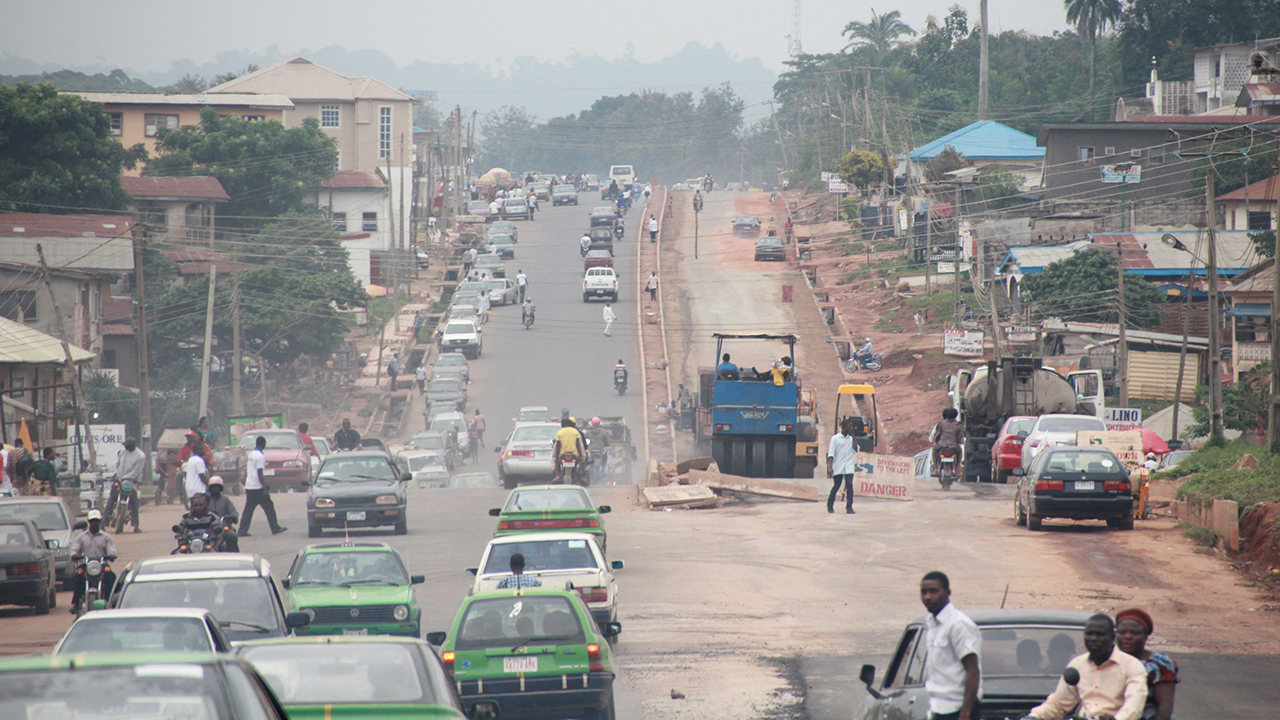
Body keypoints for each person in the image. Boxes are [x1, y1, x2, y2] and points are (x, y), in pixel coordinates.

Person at [1027, 614, 1148, 720]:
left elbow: (1134, 705)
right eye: (1089, 634)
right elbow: (1059, 703)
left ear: (1112, 637)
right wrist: (1034, 716)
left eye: (1099, 635)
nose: (1093, 639)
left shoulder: (1131, 665)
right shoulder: (1077, 665)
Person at [920, 571, 983, 720]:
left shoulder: (958, 625)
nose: (928, 597)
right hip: (938, 709)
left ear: (948, 593)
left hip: (958, 710)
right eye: (924, 592)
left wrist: (965, 713)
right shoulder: (932, 624)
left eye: (933, 591)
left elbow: (972, 670)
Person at [1115, 608, 1178, 720]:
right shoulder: (1110, 661)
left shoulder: (1158, 664)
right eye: (1122, 632)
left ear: (1146, 636)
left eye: (1135, 633)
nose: (1128, 636)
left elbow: (1165, 706)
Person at [68, 509, 117, 612]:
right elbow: (75, 549)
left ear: (100, 521)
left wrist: (111, 555)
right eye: (92, 521)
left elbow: (112, 550)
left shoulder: (106, 537)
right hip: (86, 564)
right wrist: (74, 555)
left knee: (110, 575)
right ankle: (76, 603)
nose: (94, 523)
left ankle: (109, 601)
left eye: (96, 521)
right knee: (78, 575)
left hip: (101, 564)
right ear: (88, 522)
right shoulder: (81, 537)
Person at [240, 435, 286, 537]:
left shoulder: (252, 454)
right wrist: (264, 486)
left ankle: (242, 530)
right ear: (264, 444)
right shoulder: (260, 456)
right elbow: (260, 473)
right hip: (257, 487)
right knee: (269, 506)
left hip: (249, 486)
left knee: (248, 509)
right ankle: (275, 528)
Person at [107, 438, 145, 532]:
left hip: (132, 482)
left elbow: (137, 471)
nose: (125, 447)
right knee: (111, 500)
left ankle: (136, 526)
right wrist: (116, 473)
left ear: (132, 446)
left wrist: (126, 477)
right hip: (119, 479)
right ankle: (104, 523)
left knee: (135, 503)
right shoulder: (123, 452)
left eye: (127, 445)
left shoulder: (140, 456)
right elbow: (116, 464)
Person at [826, 417, 857, 514]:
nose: (851, 428)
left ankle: (849, 507)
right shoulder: (835, 439)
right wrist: (829, 467)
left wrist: (854, 437)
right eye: (849, 426)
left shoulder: (851, 439)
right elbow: (831, 455)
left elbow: (856, 449)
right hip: (838, 466)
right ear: (843, 427)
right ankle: (830, 505)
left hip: (849, 467)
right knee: (836, 486)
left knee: (849, 485)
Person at [205, 476, 240, 552]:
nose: (215, 489)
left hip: (223, 527)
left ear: (221, 488)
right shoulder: (204, 499)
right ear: (209, 488)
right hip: (207, 527)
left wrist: (231, 516)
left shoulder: (225, 499)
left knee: (232, 536)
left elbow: (234, 512)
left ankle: (233, 556)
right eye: (213, 487)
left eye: (217, 487)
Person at [931, 409, 965, 477]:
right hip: (954, 446)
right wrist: (959, 442)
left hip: (941, 444)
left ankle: (935, 468)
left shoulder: (941, 423)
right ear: (956, 415)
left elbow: (938, 433)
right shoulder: (959, 425)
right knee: (960, 452)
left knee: (934, 451)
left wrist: (936, 441)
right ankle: (957, 469)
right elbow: (960, 437)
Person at [553, 418, 586, 483]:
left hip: (563, 454)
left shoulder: (559, 432)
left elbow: (558, 446)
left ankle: (558, 475)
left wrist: (556, 456)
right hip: (574, 454)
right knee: (582, 463)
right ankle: (581, 476)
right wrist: (581, 455)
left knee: (556, 462)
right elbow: (578, 445)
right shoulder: (575, 432)